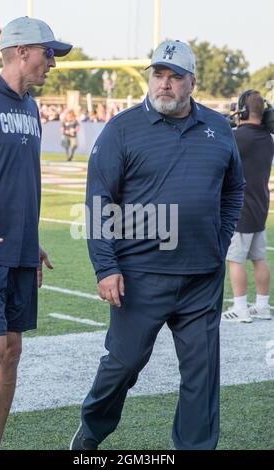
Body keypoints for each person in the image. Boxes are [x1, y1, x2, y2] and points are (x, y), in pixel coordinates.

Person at [70, 40, 245, 451]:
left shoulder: (219, 127)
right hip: (139, 277)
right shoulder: (121, 129)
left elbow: (234, 188)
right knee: (123, 365)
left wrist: (219, 241)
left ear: (191, 83)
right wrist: (105, 267)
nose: (164, 84)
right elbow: (99, 202)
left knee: (202, 376)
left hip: (202, 278)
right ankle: (91, 431)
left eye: (174, 77)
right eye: (158, 75)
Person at [0, 16, 72, 450]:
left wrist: (31, 241)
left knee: (11, 354)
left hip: (18, 250)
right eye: (48, 53)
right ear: (22, 51)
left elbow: (19, 179)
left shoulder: (31, 106)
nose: (52, 63)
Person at [222, 90, 274, 323]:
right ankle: (262, 305)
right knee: (259, 258)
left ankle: (240, 307)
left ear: (242, 110)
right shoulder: (266, 137)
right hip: (260, 205)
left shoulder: (239, 137)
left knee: (235, 259)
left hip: (240, 206)